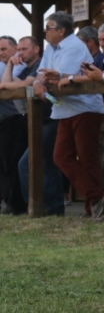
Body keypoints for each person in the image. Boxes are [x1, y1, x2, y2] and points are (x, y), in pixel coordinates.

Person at [32, 11, 104, 217]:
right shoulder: (51, 47)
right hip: (65, 109)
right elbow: (42, 73)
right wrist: (38, 82)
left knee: (87, 158)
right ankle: (98, 200)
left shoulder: (73, 46)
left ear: (61, 31)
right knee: (62, 156)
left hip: (85, 108)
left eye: (49, 28)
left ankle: (95, 206)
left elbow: (58, 79)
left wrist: (43, 80)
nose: (45, 32)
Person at [65, 22, 104, 221]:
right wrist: (71, 78)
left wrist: (102, 76)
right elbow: (92, 77)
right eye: (100, 40)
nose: (102, 43)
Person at [10, 37, 66, 215]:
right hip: (39, 121)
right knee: (48, 164)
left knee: (27, 164)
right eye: (18, 50)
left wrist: (10, 83)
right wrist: (11, 65)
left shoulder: (40, 65)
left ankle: (39, 207)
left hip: (50, 119)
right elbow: (7, 85)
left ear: (36, 49)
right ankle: (51, 209)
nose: (20, 53)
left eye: (24, 49)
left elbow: (11, 85)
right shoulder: (26, 68)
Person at [0, 35, 27, 214]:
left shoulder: (17, 66)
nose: (0, 53)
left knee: (11, 163)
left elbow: (8, 85)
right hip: (6, 119)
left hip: (13, 119)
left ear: (15, 48)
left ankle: (14, 203)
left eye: (3, 49)